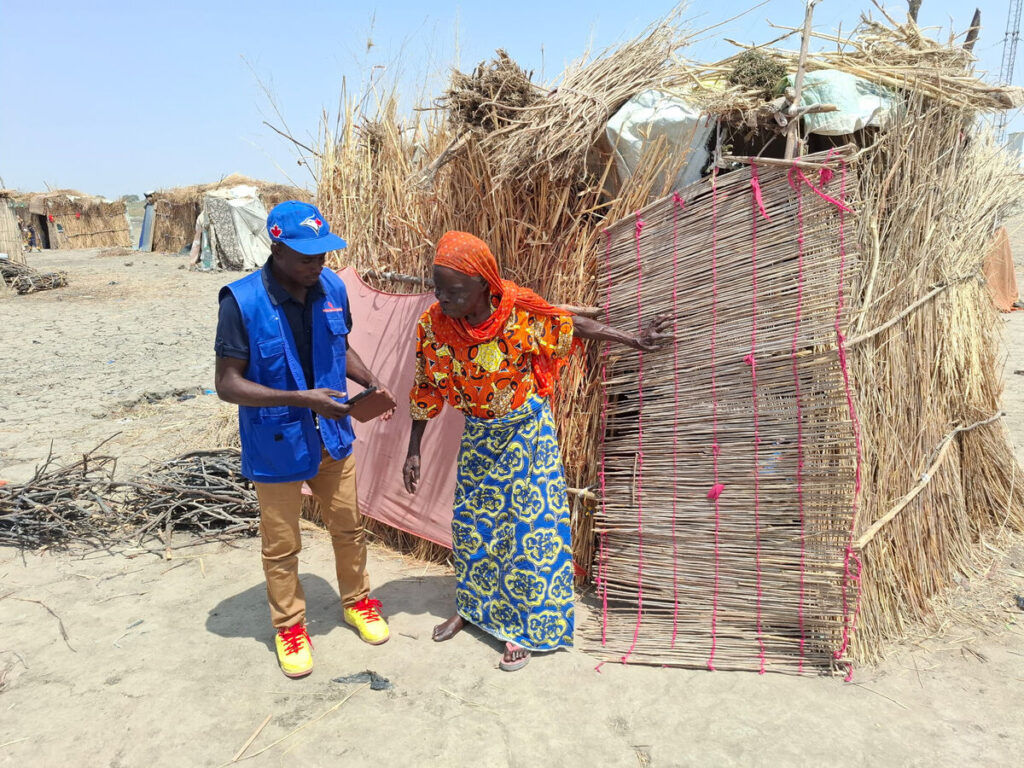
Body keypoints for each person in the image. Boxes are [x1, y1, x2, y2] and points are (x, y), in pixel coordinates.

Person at [402, 231, 670, 671]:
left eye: (454, 291)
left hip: (526, 435)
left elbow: (573, 326)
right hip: (479, 438)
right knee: (472, 528)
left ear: (484, 286)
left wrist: (633, 341)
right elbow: (425, 387)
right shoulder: (434, 326)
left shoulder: (517, 314)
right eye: (438, 288)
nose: (442, 298)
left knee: (527, 530)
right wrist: (414, 448)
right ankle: (473, 609)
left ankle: (523, 626)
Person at [215, 201, 393, 679]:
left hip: (332, 432)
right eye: (306, 256)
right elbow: (227, 384)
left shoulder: (332, 287)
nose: (317, 264)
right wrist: (303, 399)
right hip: (276, 437)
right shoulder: (241, 302)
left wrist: (370, 381)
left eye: (323, 254)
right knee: (281, 543)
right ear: (276, 248)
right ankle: (290, 626)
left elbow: (341, 346)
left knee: (349, 526)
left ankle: (357, 602)